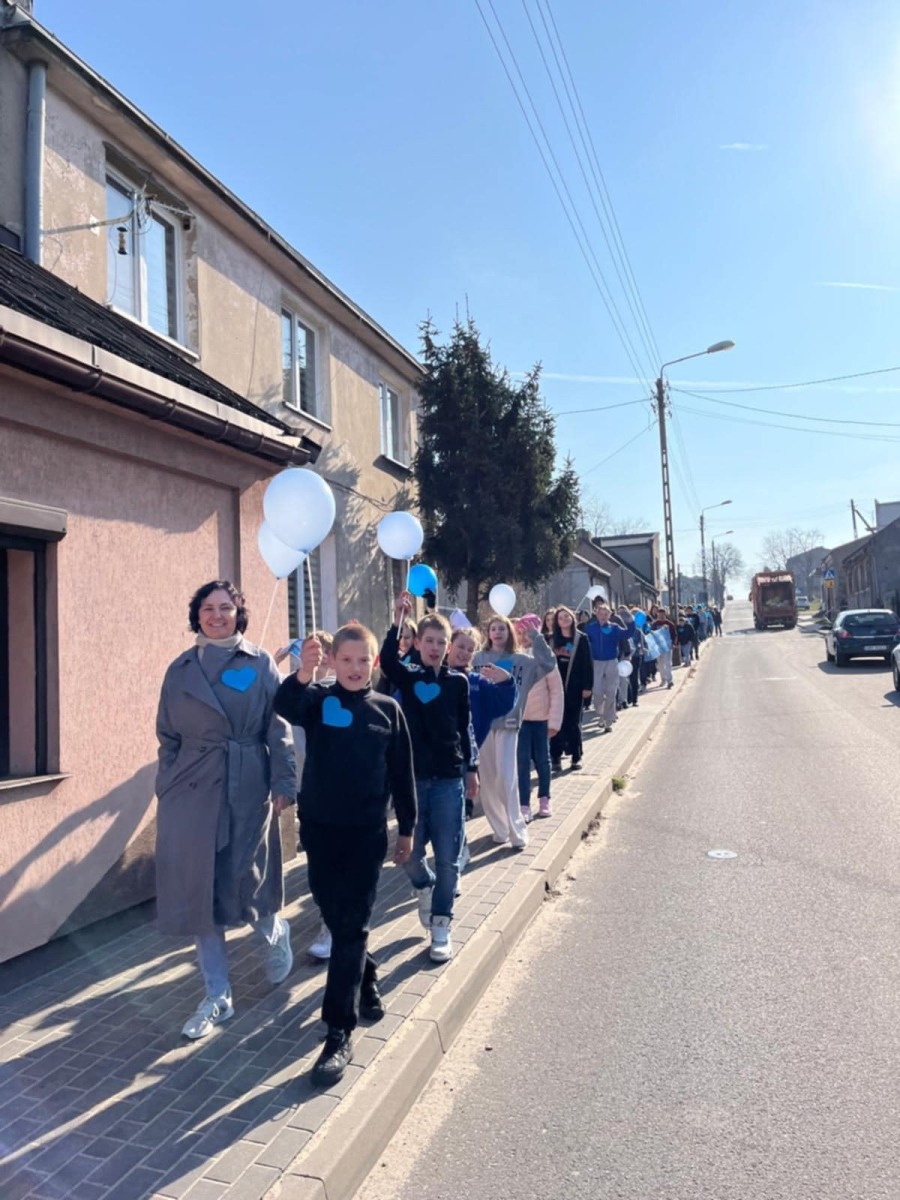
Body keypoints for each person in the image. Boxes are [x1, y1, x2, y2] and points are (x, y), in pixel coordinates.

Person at [274, 625, 416, 1087]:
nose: (355, 668)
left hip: (365, 834)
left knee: (351, 925)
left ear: (374, 663)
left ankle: (338, 1031)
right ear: (333, 661)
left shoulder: (387, 709)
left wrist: (407, 829)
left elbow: (402, 774)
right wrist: (303, 672)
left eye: (363, 661)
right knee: (334, 915)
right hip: (319, 830)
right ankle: (366, 975)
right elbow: (284, 705)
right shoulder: (318, 699)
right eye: (346, 660)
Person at [155, 580, 296, 1041]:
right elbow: (167, 735)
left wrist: (283, 781)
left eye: (225, 608)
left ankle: (275, 933)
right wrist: (167, 783)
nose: (216, 616)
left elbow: (277, 728)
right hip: (191, 793)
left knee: (247, 882)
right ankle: (218, 994)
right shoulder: (180, 669)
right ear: (196, 615)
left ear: (239, 614)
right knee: (201, 893)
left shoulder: (259, 663)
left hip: (245, 786)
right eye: (208, 608)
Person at [380, 592, 478, 964]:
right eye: (429, 641)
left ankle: (441, 924)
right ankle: (424, 885)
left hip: (450, 779)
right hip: (414, 780)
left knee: (449, 858)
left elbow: (465, 728)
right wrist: (397, 621)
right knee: (409, 854)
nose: (436, 648)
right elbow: (388, 660)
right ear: (418, 643)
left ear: (449, 646)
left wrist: (472, 768)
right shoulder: (408, 676)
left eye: (441, 642)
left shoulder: (458, 683)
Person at [276, 630, 336, 962]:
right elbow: (280, 702)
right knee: (319, 864)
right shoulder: (300, 688)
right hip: (307, 789)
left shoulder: (339, 689)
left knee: (341, 863)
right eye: (308, 650)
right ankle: (330, 916)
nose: (315, 656)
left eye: (321, 650)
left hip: (342, 793)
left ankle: (335, 925)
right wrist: (282, 663)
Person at [473, 613, 555, 848]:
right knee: (488, 781)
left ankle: (517, 831)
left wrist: (536, 637)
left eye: (502, 628)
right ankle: (499, 829)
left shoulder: (523, 661)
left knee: (506, 777)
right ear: (488, 633)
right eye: (493, 628)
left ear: (510, 632)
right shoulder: (478, 658)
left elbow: (548, 664)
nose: (497, 632)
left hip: (508, 725)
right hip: (483, 726)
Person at [515, 617, 563, 820]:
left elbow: (556, 691)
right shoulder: (514, 657)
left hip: (541, 719)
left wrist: (554, 721)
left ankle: (545, 798)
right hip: (520, 721)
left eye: (528, 633)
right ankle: (523, 804)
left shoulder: (545, 658)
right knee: (522, 763)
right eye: (520, 632)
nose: (524, 637)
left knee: (543, 761)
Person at [549, 606, 593, 771]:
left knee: (573, 723)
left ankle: (576, 756)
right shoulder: (551, 640)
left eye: (567, 617)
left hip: (574, 687)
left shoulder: (581, 639)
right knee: (555, 723)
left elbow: (587, 664)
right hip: (554, 688)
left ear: (572, 618)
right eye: (560, 618)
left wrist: (587, 687)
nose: (564, 620)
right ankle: (555, 757)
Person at [584, 598, 631, 733]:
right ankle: (601, 714)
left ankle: (608, 721)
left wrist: (631, 621)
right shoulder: (590, 628)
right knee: (597, 692)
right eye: (601, 614)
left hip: (611, 662)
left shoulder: (614, 628)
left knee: (611, 692)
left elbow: (627, 634)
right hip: (596, 662)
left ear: (610, 615)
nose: (603, 616)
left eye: (606, 614)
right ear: (596, 614)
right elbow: (580, 640)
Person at [651, 606, 677, 688]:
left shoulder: (670, 624)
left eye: (663, 614)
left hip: (667, 647)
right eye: (660, 614)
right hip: (658, 647)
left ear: (665, 614)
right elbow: (652, 634)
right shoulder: (654, 624)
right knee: (660, 664)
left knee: (668, 663)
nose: (661, 616)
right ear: (657, 614)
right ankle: (663, 680)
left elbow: (674, 635)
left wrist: (674, 644)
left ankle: (669, 680)